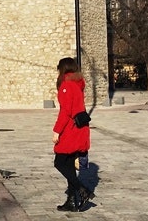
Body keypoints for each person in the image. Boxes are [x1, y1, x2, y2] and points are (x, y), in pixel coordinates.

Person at [52, 57, 93, 212]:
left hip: (71, 129)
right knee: (69, 164)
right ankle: (71, 201)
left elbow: (65, 111)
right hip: (79, 128)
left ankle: (83, 190)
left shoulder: (67, 85)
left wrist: (57, 131)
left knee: (60, 162)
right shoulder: (77, 83)